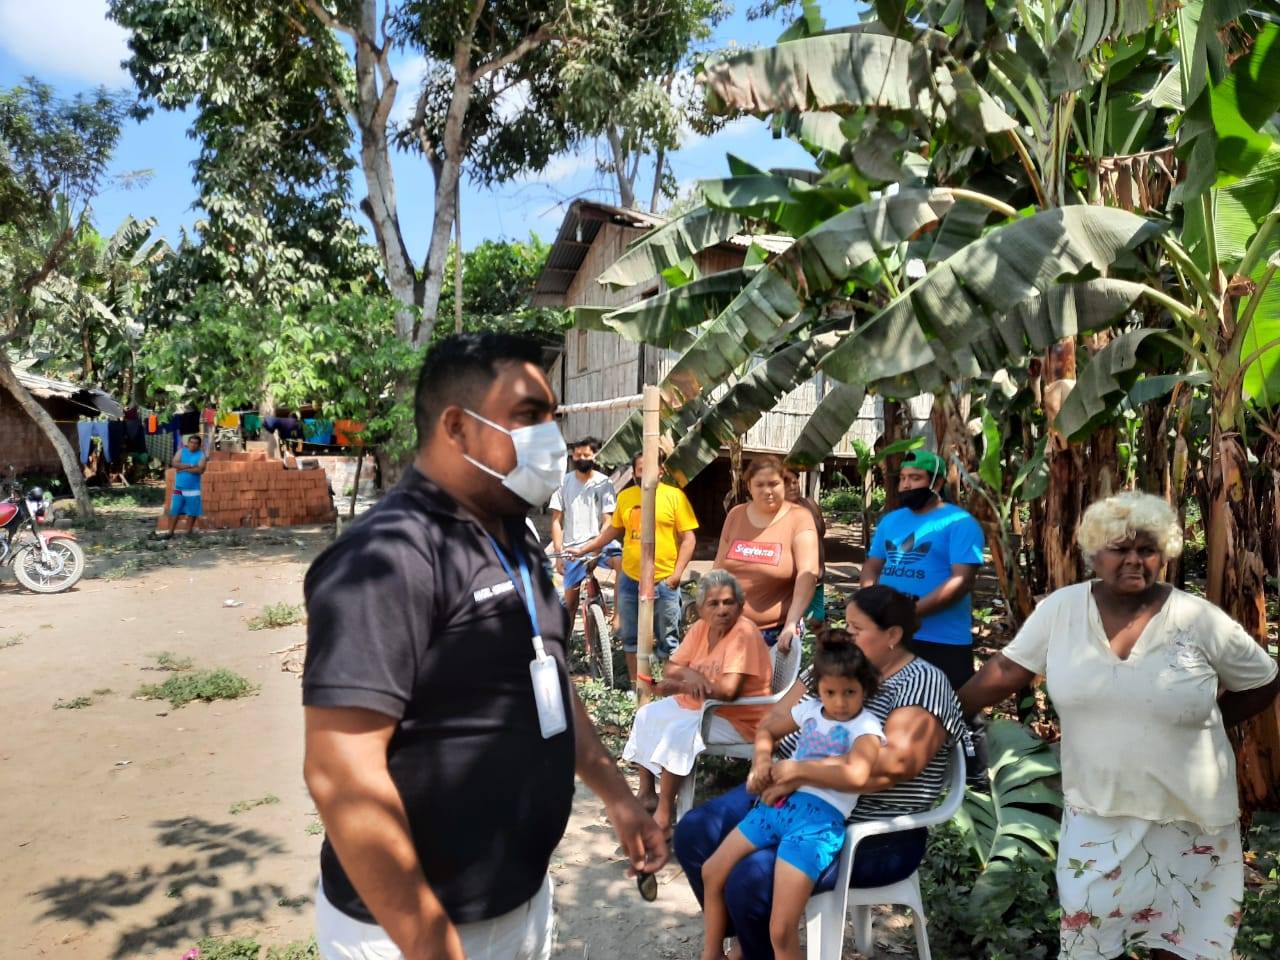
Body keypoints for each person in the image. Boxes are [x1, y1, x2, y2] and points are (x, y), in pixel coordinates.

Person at [301, 334, 667, 960]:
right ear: (457, 428)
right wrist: (427, 936)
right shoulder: (387, 557)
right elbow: (341, 770)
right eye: (528, 416)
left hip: (521, 901)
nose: (551, 438)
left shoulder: (513, 535)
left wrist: (616, 795)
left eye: (552, 417)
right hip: (408, 928)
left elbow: (547, 678)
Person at [958, 492, 1280, 960]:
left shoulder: (1197, 619)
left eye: (1147, 549)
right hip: (1097, 814)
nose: (1134, 560)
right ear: (1094, 553)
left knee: (1183, 947)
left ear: (1164, 555)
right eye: (1119, 548)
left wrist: (1202, 722)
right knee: (1088, 943)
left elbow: (1262, 680)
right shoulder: (1062, 611)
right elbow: (1008, 669)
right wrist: (941, 712)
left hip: (1190, 819)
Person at [674, 585, 970, 960]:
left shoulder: (923, 682)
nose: (847, 635)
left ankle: (752, 948)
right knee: (695, 832)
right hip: (788, 794)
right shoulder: (837, 664)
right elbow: (775, 719)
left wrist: (800, 773)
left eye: (857, 629)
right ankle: (746, 944)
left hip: (869, 830)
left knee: (750, 879)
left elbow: (893, 766)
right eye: (847, 626)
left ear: (892, 635)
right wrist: (763, 763)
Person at [700, 630, 884, 960]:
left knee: (781, 929)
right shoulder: (810, 710)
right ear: (819, 689)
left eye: (850, 692)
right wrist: (762, 762)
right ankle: (712, 954)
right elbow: (767, 729)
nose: (840, 703)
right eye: (830, 692)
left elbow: (858, 773)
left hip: (817, 824)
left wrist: (795, 771)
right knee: (712, 872)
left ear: (865, 689)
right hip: (777, 806)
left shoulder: (866, 727)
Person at [622, 570, 774, 832]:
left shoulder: (743, 633)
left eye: (728, 602)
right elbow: (672, 667)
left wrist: (680, 686)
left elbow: (728, 692)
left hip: (738, 717)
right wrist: (690, 676)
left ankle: (664, 815)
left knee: (677, 731)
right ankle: (647, 793)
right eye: (713, 604)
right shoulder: (701, 628)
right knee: (647, 714)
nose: (722, 610)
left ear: (740, 605)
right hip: (700, 705)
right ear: (701, 609)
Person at [570, 448, 699, 685]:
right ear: (634, 472)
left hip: (664, 581)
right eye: (640, 469)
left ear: (661, 471)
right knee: (630, 639)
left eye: (650, 468)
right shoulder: (626, 497)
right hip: (631, 580)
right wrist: (585, 549)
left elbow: (689, 539)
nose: (645, 474)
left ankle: (670, 691)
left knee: (669, 641)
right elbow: (613, 530)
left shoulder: (675, 497)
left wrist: (676, 575)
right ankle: (637, 688)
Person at [860, 448, 985, 690]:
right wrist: (868, 602)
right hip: (889, 636)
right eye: (903, 478)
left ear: (937, 483)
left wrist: (908, 613)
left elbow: (962, 581)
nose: (906, 485)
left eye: (915, 478)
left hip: (942, 641)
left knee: (944, 706)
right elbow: (872, 566)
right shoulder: (891, 521)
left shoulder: (960, 523)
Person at [714, 456, 820, 653]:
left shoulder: (799, 518)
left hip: (777, 634)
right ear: (749, 486)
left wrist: (791, 624)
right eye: (760, 485)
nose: (767, 491)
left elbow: (808, 573)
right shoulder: (735, 515)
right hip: (730, 628)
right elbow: (718, 571)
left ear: (784, 484)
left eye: (773, 484)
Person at [549, 436, 621, 629]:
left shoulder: (604, 483)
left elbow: (608, 521)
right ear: (572, 456)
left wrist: (596, 549)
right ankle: (565, 643)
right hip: (573, 548)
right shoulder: (563, 483)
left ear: (594, 456)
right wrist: (559, 553)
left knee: (622, 561)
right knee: (570, 605)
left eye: (586, 455)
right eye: (578, 455)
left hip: (601, 542)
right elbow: (556, 520)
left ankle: (618, 617)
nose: (581, 458)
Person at [784, 469, 827, 626]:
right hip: (792, 579)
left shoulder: (810, 504)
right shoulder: (779, 511)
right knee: (793, 619)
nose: (793, 486)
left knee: (817, 620)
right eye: (787, 483)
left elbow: (822, 531)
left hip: (816, 574)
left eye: (795, 482)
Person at [156, 434, 206, 539]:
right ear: (188, 443)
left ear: (199, 445)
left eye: (196, 443)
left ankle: (188, 533)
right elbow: (174, 463)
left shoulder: (201, 455)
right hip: (179, 488)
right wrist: (190, 466)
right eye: (191, 442)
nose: (193, 445)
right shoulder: (181, 452)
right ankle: (170, 533)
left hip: (193, 489)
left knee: (192, 511)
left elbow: (200, 470)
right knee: (175, 510)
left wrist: (183, 469)